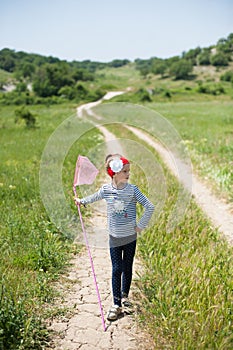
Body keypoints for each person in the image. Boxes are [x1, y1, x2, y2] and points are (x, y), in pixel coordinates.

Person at [74, 154, 154, 321]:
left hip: (130, 236)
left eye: (128, 170)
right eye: (125, 171)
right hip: (114, 236)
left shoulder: (133, 190)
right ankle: (116, 304)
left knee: (127, 266)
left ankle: (125, 296)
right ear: (114, 173)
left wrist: (141, 225)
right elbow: (94, 197)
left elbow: (149, 206)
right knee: (117, 269)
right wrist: (81, 201)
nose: (128, 174)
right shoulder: (106, 190)